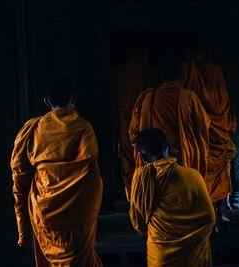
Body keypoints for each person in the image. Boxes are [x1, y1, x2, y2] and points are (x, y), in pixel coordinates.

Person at [10, 78, 103, 267]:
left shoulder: (33, 129)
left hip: (45, 210)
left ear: (46, 102)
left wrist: (23, 229)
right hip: (79, 210)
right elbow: (89, 172)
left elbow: (19, 177)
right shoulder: (84, 128)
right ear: (75, 98)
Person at [129, 128, 215, 267]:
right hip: (193, 257)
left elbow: (138, 223)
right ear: (169, 148)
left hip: (161, 257)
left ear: (141, 157)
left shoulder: (141, 180)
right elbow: (210, 218)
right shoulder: (193, 176)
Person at [128, 54, 210, 199]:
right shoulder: (189, 98)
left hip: (155, 162)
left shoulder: (148, 98)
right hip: (185, 161)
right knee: (184, 199)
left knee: (158, 200)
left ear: (158, 75)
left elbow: (134, 133)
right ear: (181, 75)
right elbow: (204, 128)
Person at [182, 52, 237, 232]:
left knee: (203, 174)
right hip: (218, 129)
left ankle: (208, 217)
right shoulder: (215, 71)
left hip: (204, 131)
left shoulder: (190, 72)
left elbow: (188, 98)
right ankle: (220, 214)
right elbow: (224, 99)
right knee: (220, 173)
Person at [110, 46, 157, 199]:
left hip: (126, 119)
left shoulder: (120, 73)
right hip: (146, 121)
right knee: (146, 158)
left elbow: (114, 100)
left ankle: (132, 196)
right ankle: (145, 195)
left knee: (128, 160)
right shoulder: (151, 71)